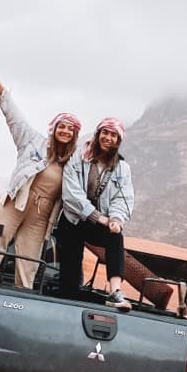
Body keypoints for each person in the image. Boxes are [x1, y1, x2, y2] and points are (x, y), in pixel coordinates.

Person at [0, 65, 81, 288]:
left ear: (74, 135)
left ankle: (23, 292)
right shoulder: (33, 141)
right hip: (17, 200)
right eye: (62, 126)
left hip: (42, 214)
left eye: (70, 129)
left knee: (30, 254)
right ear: (54, 128)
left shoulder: (73, 164)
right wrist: (1, 90)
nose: (65, 131)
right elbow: (15, 120)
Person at [57, 117, 134, 309]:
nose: (108, 137)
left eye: (113, 134)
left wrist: (116, 219)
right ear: (98, 134)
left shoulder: (122, 168)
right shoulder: (78, 157)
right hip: (73, 220)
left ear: (118, 140)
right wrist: (98, 217)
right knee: (70, 279)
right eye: (105, 132)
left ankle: (115, 291)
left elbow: (123, 197)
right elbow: (71, 194)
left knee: (116, 237)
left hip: (102, 222)